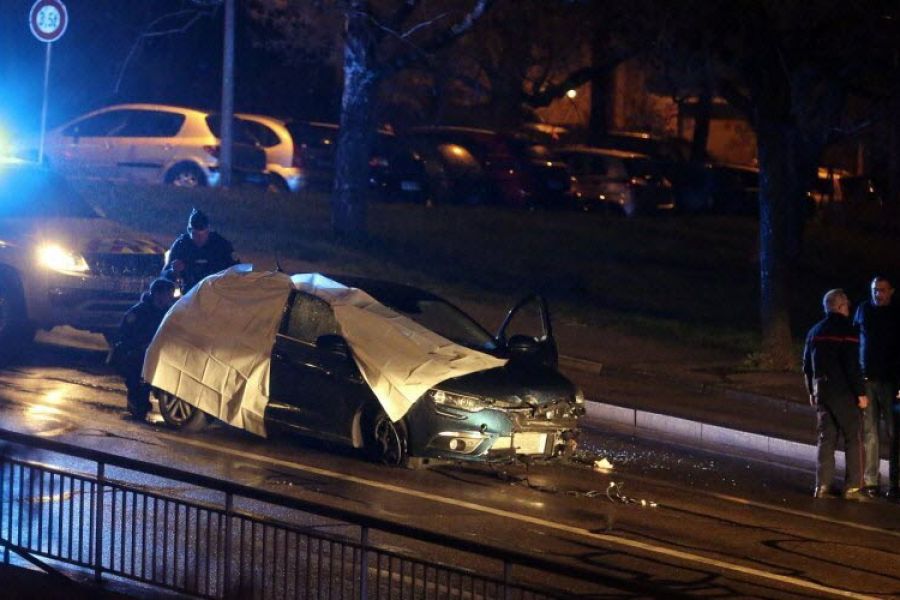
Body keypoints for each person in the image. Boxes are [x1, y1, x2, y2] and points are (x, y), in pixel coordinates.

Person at [802, 288, 870, 501]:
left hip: (822, 392)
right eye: (847, 305)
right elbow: (851, 365)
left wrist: (812, 391)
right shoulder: (847, 331)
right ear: (841, 306)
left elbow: (807, 366)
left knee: (826, 439)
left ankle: (822, 485)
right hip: (844, 393)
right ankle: (853, 487)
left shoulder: (815, 331)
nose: (849, 308)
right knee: (854, 438)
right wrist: (861, 393)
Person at [853, 275, 900, 498]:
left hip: (891, 381)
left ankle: (895, 481)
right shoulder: (863, 310)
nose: (877, 294)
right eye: (874, 290)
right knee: (870, 430)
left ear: (891, 291)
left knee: (894, 433)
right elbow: (855, 339)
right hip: (868, 378)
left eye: (881, 290)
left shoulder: (896, 313)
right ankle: (871, 480)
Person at [110, 278, 176, 420]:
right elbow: (125, 337)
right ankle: (136, 403)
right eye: (168, 294)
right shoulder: (139, 312)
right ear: (157, 294)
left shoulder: (168, 313)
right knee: (138, 380)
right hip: (134, 355)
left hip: (155, 354)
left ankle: (140, 403)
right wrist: (142, 345)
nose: (171, 298)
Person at [162, 208, 238, 294]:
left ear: (208, 230)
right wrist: (174, 271)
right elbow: (164, 276)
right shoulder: (181, 245)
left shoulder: (221, 245)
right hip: (191, 293)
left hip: (217, 292)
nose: (200, 238)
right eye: (196, 234)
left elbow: (237, 269)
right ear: (190, 231)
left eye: (203, 234)